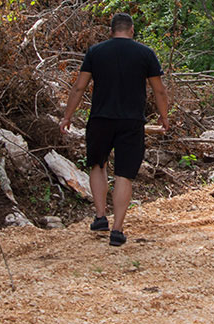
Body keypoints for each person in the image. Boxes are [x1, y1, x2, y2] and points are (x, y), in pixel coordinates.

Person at [60, 13, 170, 247]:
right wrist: (164, 116)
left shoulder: (96, 52)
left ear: (111, 31)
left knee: (98, 165)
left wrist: (67, 116)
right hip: (131, 122)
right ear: (131, 30)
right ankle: (117, 230)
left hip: (100, 118)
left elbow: (79, 87)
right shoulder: (145, 53)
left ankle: (100, 217)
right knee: (124, 174)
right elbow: (159, 90)